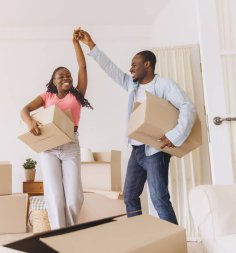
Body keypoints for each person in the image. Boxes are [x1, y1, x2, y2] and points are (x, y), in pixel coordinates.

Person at [77, 29, 196, 225]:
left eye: (134, 65)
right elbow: (111, 69)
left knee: (159, 200)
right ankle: (141, 237)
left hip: (155, 152)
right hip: (136, 150)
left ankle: (174, 244)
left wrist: (174, 135)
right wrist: (91, 45)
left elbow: (187, 106)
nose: (131, 69)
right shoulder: (133, 85)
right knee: (130, 196)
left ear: (147, 64)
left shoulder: (164, 85)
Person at [20, 29, 93, 229]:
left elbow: (82, 66)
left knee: (73, 198)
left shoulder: (77, 95)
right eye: (61, 76)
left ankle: (69, 233)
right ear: (54, 81)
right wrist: (30, 122)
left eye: (68, 75)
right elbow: (24, 110)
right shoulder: (46, 97)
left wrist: (76, 43)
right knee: (54, 197)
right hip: (49, 148)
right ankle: (60, 236)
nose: (66, 78)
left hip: (70, 145)